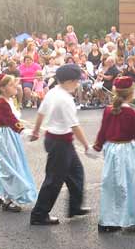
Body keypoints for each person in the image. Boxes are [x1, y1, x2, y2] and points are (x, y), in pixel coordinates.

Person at [92, 76, 135, 232]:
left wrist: (97, 147)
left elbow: (103, 131)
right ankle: (125, 216)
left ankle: (108, 220)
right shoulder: (131, 114)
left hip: (110, 150)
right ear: (130, 93)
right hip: (126, 152)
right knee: (128, 184)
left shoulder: (108, 110)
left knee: (111, 184)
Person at [30, 64, 91, 225]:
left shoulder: (53, 92)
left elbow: (41, 113)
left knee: (76, 172)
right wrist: (86, 145)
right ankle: (39, 214)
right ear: (70, 81)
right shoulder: (65, 99)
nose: (78, 84)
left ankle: (75, 206)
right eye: (77, 81)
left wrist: (36, 131)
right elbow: (75, 126)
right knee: (54, 180)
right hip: (60, 142)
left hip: (58, 140)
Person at [0, 74, 37, 212]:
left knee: (5, 163)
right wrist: (25, 132)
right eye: (11, 84)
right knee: (9, 165)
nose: (15, 85)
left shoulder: (10, 100)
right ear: (2, 88)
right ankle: (10, 199)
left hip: (9, 134)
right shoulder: (3, 103)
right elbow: (10, 119)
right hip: (4, 136)